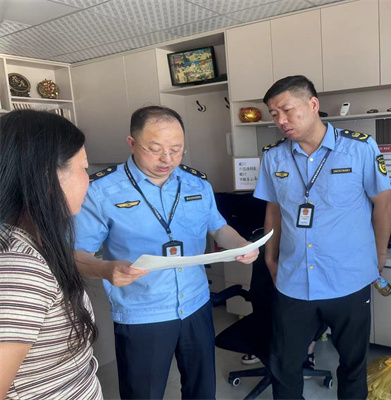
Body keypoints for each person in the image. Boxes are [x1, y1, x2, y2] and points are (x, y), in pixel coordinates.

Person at [73, 105, 259, 400]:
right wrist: (106, 270)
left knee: (202, 391)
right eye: (155, 149)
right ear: (132, 143)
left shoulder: (196, 183)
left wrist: (240, 244)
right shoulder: (101, 191)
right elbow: (77, 255)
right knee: (143, 394)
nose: (167, 159)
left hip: (197, 304)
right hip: (142, 311)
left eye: (176, 149)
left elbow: (218, 228)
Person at [254, 75, 391, 399]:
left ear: (313, 104)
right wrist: (270, 258)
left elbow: (383, 203)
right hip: (293, 280)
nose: (281, 120)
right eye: (274, 114)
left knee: (353, 365)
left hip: (349, 278)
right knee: (284, 366)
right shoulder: (274, 156)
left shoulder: (360, 148)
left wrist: (379, 257)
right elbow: (273, 210)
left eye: (287, 110)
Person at [0, 110, 102, 399]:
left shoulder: (28, 242)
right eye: (84, 168)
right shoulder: (21, 270)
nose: (89, 180)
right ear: (48, 177)